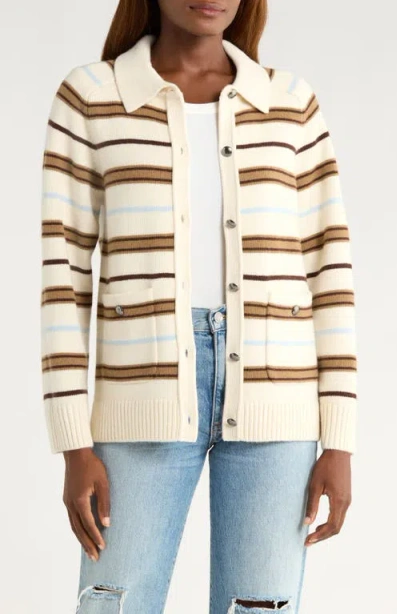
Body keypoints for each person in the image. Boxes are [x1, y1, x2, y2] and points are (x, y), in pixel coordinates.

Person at [40, 1, 358, 612]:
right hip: (140, 395)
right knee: (114, 601)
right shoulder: (92, 97)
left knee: (258, 607)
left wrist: (339, 441)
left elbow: (330, 271)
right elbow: (64, 278)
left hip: (278, 401)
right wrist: (73, 443)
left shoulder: (290, 103)